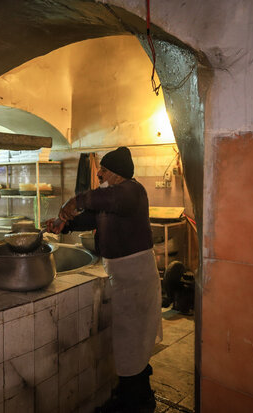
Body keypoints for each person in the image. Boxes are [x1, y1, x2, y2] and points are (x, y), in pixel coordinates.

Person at [46, 147, 161, 413]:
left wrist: (74, 202)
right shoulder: (112, 199)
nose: (98, 173)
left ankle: (139, 403)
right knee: (127, 340)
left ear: (118, 174)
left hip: (136, 277)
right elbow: (93, 217)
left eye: (104, 170)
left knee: (134, 340)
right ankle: (132, 394)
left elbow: (103, 200)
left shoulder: (132, 191)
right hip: (120, 276)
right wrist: (66, 224)